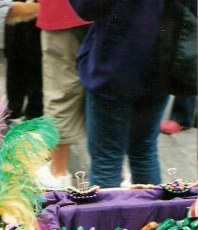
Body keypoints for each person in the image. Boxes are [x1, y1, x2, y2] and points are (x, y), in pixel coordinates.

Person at [69, 0, 170, 188]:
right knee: (144, 150)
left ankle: (109, 217)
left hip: (113, 64)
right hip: (160, 63)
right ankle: (151, 216)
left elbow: (86, 8)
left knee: (106, 160)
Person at [36, 0, 91, 189]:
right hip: (115, 13)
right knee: (108, 89)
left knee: (61, 90)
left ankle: (57, 172)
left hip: (62, 10)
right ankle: (118, 171)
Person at [4, 8, 43, 124]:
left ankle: (34, 111)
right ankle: (14, 108)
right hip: (16, 9)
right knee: (14, 55)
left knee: (35, 58)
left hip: (37, 9)